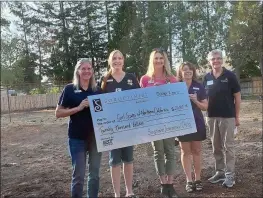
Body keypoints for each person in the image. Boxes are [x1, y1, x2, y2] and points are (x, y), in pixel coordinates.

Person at [55, 58, 102, 198]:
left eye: (89, 68)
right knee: (79, 175)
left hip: (95, 138)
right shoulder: (69, 89)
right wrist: (79, 107)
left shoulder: (97, 90)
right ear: (78, 71)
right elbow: (58, 113)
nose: (86, 71)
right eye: (83, 68)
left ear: (92, 71)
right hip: (77, 138)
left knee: (94, 174)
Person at [100, 50, 140, 197]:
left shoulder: (131, 78)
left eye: (120, 58)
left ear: (123, 60)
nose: (117, 61)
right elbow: (98, 103)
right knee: (114, 161)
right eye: (114, 58)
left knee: (128, 159)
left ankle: (129, 192)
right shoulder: (105, 79)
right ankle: (117, 194)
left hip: (128, 126)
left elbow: (139, 99)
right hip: (111, 127)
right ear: (110, 61)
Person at [140, 48, 178, 197]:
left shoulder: (172, 79)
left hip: (169, 120)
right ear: (152, 60)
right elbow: (141, 102)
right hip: (152, 122)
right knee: (158, 152)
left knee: (170, 151)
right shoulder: (144, 79)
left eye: (161, 58)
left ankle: (170, 184)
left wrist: (166, 92)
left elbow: (176, 100)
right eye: (156, 58)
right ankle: (163, 184)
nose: (159, 61)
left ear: (165, 60)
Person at [203, 49, 241, 188]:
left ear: (222, 60)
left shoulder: (230, 76)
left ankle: (230, 175)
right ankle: (220, 172)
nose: (216, 61)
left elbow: (237, 97)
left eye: (218, 58)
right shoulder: (206, 77)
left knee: (229, 147)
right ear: (209, 61)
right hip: (211, 117)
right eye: (213, 59)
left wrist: (237, 117)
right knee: (216, 147)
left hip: (228, 117)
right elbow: (204, 98)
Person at [176, 62, 208, 193]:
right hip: (182, 124)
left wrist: (195, 100)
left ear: (193, 72)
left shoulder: (199, 86)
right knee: (185, 152)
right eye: (184, 70)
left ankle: (198, 179)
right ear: (180, 72)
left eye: (190, 69)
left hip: (197, 123)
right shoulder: (175, 87)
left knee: (197, 151)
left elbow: (205, 107)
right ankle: (189, 180)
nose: (187, 71)